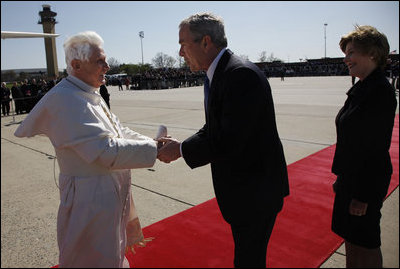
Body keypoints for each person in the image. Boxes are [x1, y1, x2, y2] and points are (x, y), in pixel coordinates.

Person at [14, 31, 158, 268]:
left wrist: (153, 142)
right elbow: (104, 150)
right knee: (90, 257)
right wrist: (155, 149)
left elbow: (118, 130)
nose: (107, 66)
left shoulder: (90, 92)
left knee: (111, 253)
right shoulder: (65, 99)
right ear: (76, 64)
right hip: (88, 198)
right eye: (99, 61)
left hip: (105, 193)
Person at [157, 13, 289, 268]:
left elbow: (229, 139)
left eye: (183, 43)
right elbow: (214, 127)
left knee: (248, 261)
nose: (180, 53)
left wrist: (181, 150)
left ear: (206, 42)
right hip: (247, 191)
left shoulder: (239, 75)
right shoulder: (220, 73)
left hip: (255, 193)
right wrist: (181, 145)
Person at [331, 25, 397, 268]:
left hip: (364, 183)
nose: (346, 59)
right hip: (350, 178)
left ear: (372, 52)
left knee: (366, 245)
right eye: (345, 54)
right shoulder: (362, 87)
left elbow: (375, 148)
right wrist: (342, 179)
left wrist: (362, 196)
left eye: (351, 52)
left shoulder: (379, 90)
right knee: (352, 240)